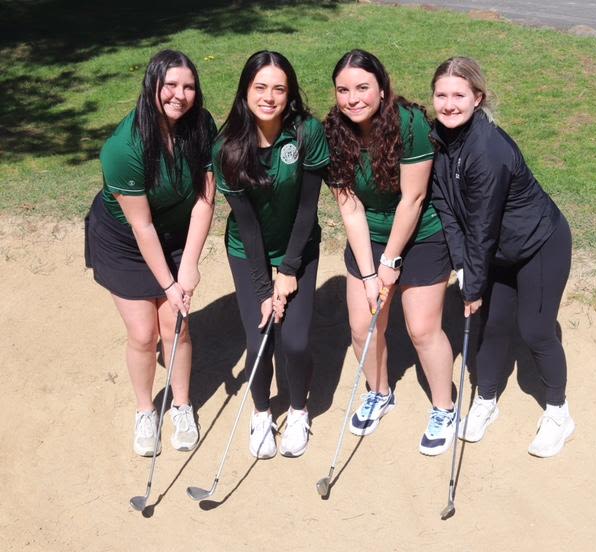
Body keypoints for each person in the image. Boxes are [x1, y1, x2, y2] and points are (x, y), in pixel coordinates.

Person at [429, 56, 575, 457]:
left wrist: (472, 284)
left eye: (459, 95)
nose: (448, 103)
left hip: (538, 245)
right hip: (495, 251)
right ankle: (486, 400)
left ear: (478, 98)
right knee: (490, 327)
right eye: (441, 94)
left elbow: (482, 227)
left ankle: (560, 413)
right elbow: (445, 207)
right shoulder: (438, 139)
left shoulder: (488, 150)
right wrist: (463, 269)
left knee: (534, 331)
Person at [324, 49, 455, 456]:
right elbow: (350, 208)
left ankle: (444, 407)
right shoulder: (333, 133)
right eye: (343, 90)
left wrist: (390, 262)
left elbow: (413, 200)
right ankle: (379, 392)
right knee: (363, 325)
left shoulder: (410, 124)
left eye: (363, 87)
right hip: (369, 238)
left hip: (420, 235)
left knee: (420, 329)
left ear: (381, 89)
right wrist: (368, 273)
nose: (353, 98)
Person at [85, 50, 216, 457]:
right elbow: (141, 227)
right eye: (171, 85)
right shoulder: (123, 148)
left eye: (189, 86)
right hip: (125, 243)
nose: (181, 94)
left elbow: (204, 199)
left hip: (176, 233)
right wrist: (168, 283)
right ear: (152, 86)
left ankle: (181, 405)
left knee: (176, 325)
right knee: (144, 334)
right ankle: (146, 411)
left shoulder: (202, 126)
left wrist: (189, 265)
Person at [212, 51, 329, 459]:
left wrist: (290, 269)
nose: (269, 96)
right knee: (259, 335)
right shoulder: (226, 146)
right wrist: (265, 286)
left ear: (290, 93)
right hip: (248, 251)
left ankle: (298, 410)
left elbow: (307, 208)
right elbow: (246, 223)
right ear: (245, 91)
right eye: (260, 87)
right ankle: (261, 413)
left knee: (294, 342)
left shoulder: (306, 131)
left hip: (299, 245)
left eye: (279, 88)